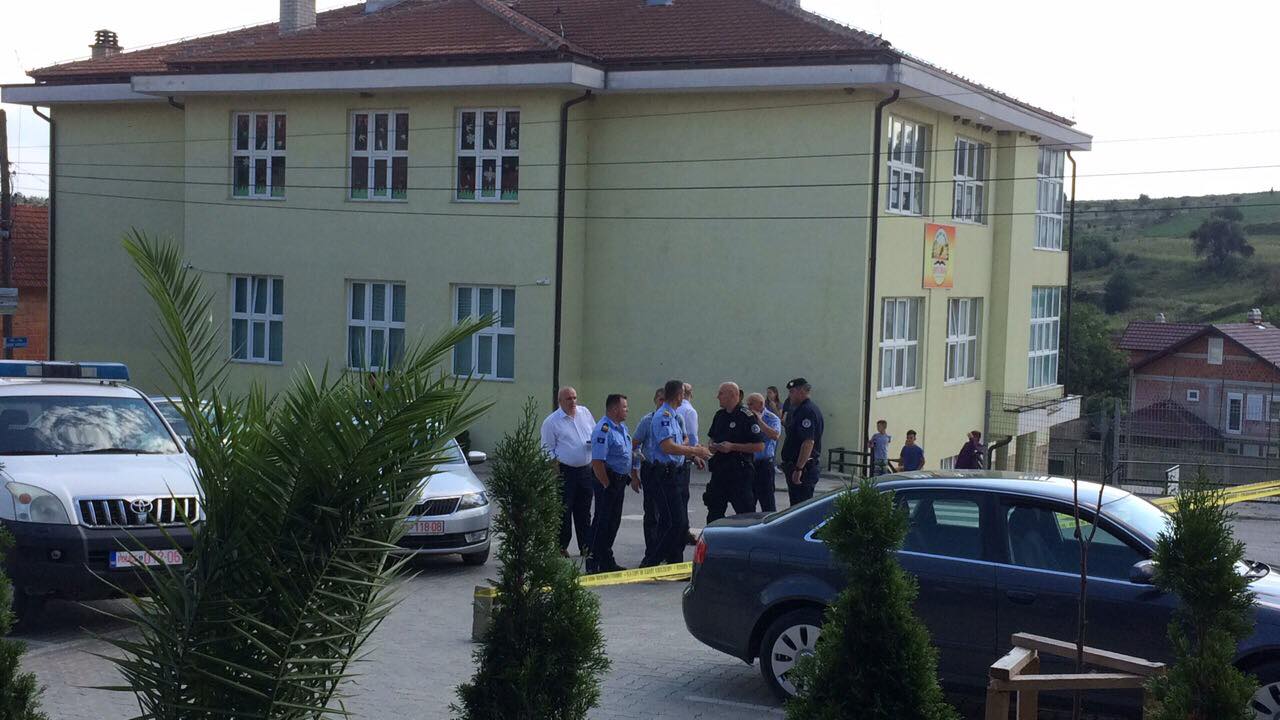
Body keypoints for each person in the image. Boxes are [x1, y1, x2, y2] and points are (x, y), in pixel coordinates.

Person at [641, 380, 711, 567]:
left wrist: (693, 454)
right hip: (663, 475)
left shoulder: (674, 416)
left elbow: (680, 443)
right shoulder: (663, 416)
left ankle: (672, 562)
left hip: (675, 473)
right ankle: (650, 563)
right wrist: (696, 451)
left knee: (672, 522)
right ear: (679, 395)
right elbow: (668, 447)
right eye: (683, 394)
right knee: (675, 522)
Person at [540, 387, 596, 558]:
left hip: (586, 470)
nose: (573, 402)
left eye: (574, 398)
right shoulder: (551, 422)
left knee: (584, 510)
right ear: (560, 401)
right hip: (565, 471)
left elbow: (594, 433)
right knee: (564, 510)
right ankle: (561, 547)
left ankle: (585, 546)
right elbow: (546, 449)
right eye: (568, 399)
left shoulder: (584, 413)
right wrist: (555, 471)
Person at [704, 382, 764, 523]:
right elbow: (712, 437)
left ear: (732, 395)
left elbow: (759, 446)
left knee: (745, 514)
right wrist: (712, 446)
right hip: (719, 472)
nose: (717, 397)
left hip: (739, 473)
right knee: (714, 511)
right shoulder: (719, 415)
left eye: (721, 393)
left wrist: (733, 447)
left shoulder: (746, 416)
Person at [587, 394, 632, 574]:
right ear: (614, 409)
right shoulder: (603, 430)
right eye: (624, 407)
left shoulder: (621, 428)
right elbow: (597, 462)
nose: (627, 410)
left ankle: (606, 559)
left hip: (619, 481)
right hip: (608, 481)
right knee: (601, 522)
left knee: (613, 522)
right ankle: (592, 562)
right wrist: (606, 484)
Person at [630, 388, 665, 560]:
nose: (662, 403)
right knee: (652, 513)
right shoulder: (647, 421)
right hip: (651, 470)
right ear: (655, 400)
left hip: (670, 472)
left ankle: (665, 551)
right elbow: (634, 446)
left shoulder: (675, 419)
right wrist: (634, 474)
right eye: (660, 399)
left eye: (665, 400)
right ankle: (651, 554)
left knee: (669, 515)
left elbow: (684, 440)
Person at [779, 378, 824, 506]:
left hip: (803, 469)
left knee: (801, 508)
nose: (789, 395)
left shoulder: (807, 411)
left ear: (801, 391)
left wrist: (799, 468)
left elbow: (808, 442)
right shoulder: (799, 410)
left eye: (792, 392)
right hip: (796, 466)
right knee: (796, 506)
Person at [675, 382, 703, 546]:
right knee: (682, 497)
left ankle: (679, 531)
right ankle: (682, 532)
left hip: (674, 458)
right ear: (690, 393)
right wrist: (696, 454)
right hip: (684, 458)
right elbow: (692, 436)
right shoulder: (689, 411)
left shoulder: (673, 409)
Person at [746, 391, 782, 512]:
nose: (748, 407)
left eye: (751, 404)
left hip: (764, 464)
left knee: (767, 501)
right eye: (747, 404)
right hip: (749, 463)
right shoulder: (747, 417)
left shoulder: (772, 418)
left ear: (761, 404)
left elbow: (775, 435)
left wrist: (759, 421)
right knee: (748, 501)